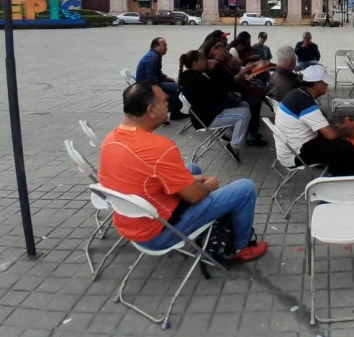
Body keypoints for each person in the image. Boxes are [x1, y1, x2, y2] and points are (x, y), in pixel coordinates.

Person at [98, 82, 267, 262]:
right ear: (151, 110)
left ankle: (207, 220)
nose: (168, 103)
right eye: (164, 101)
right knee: (245, 188)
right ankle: (242, 247)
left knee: (191, 169)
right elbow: (195, 196)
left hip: (131, 224)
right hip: (158, 234)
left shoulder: (110, 139)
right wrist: (209, 186)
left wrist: (190, 179)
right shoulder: (160, 148)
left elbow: (142, 174)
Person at [274, 64, 354, 176]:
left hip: (290, 147)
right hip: (294, 155)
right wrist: (348, 131)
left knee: (335, 140)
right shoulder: (305, 103)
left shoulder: (297, 93)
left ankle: (334, 173)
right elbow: (330, 135)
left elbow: (322, 128)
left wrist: (334, 128)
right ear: (317, 84)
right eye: (325, 82)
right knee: (346, 148)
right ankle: (340, 186)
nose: (327, 85)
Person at [178, 50, 254, 162]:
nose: (206, 61)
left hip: (210, 111)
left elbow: (217, 91)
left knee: (243, 105)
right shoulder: (195, 80)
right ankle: (235, 146)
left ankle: (228, 135)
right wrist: (215, 70)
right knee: (244, 114)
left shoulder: (193, 76)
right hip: (208, 118)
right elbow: (219, 92)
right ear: (195, 63)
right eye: (203, 59)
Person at [134, 37, 187, 120]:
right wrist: (161, 94)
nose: (166, 47)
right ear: (156, 46)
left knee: (176, 85)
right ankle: (166, 113)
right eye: (164, 45)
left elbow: (158, 74)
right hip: (146, 87)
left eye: (166, 45)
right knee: (177, 88)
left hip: (150, 83)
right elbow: (151, 80)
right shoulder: (153, 57)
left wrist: (169, 78)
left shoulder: (155, 55)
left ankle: (174, 112)